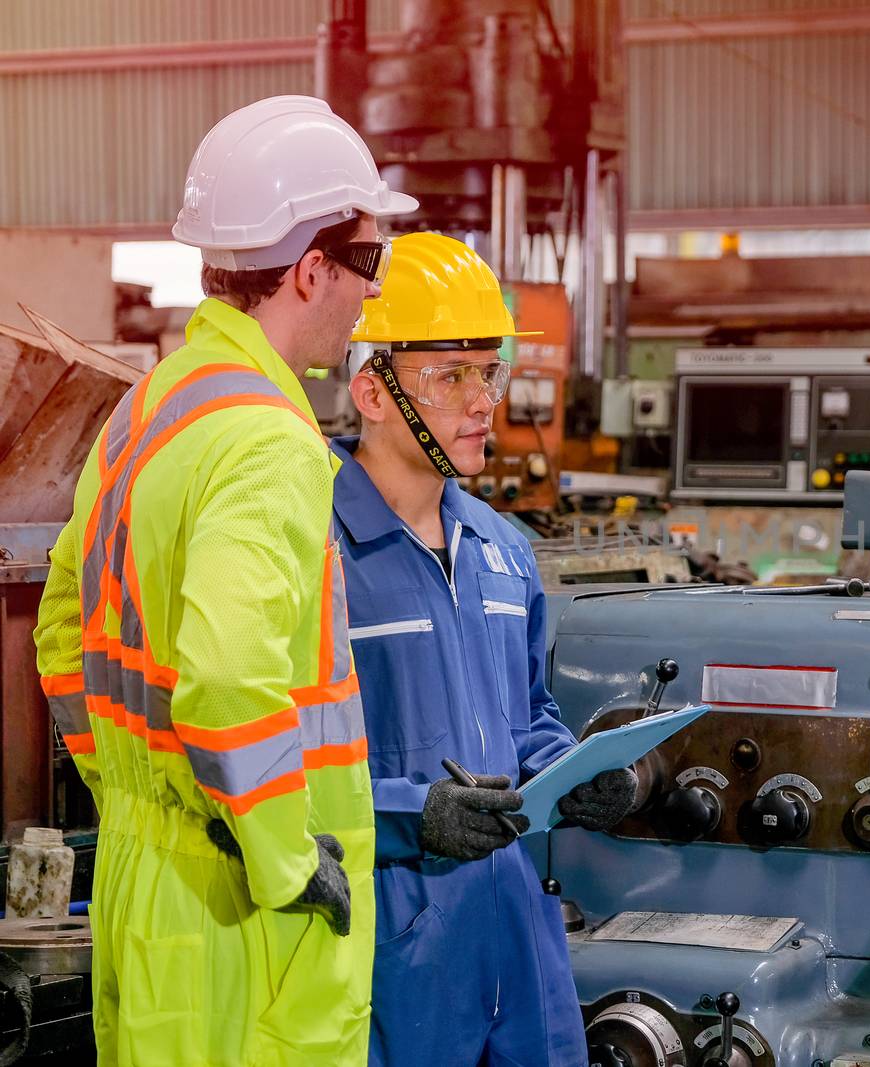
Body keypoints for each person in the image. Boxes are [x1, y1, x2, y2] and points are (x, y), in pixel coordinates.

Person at [32, 95, 416, 1066]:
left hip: (144, 871)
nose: (374, 292)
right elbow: (226, 677)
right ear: (310, 269)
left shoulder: (152, 407)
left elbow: (62, 623)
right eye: (370, 260)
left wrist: (135, 784)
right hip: (240, 911)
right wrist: (286, 859)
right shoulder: (267, 441)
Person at [331, 232, 637, 1067]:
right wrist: (409, 814)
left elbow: (525, 715)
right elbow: (290, 759)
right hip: (398, 949)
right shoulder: (319, 551)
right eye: (449, 376)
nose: (482, 402)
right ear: (373, 390)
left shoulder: (502, 547)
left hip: (519, 940)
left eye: (489, 372)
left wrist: (575, 772)